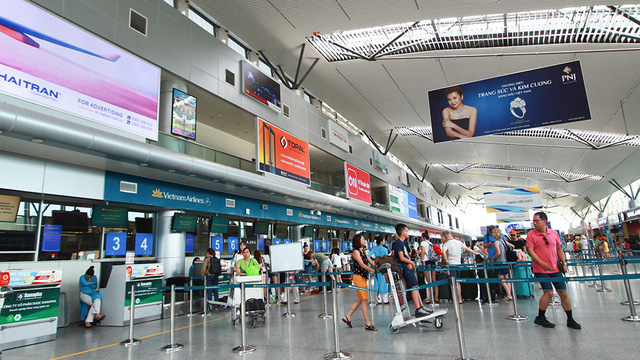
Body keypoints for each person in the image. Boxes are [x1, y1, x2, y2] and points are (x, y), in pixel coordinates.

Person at [527, 211, 581, 329]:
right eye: (534, 221)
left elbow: (559, 249)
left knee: (563, 292)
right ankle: (540, 317)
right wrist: (541, 263)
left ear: (544, 221)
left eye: (537, 221)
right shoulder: (531, 235)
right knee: (549, 293)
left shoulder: (553, 233)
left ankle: (570, 319)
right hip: (540, 269)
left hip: (555, 268)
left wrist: (564, 262)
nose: (535, 223)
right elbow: (531, 251)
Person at [342, 234, 378, 331]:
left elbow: (371, 261)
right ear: (358, 241)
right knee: (364, 300)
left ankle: (348, 317)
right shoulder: (356, 252)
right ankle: (368, 323)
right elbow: (362, 265)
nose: (365, 240)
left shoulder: (363, 251)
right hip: (358, 278)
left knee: (360, 299)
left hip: (363, 277)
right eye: (363, 239)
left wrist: (378, 265)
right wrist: (372, 270)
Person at [392, 223, 429, 317]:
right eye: (406, 230)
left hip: (408, 267)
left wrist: (409, 262)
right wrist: (411, 262)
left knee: (415, 285)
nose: (408, 232)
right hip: (405, 268)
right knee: (413, 287)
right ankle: (418, 308)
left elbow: (405, 255)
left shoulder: (403, 243)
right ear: (402, 232)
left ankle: (421, 306)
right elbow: (401, 257)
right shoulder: (398, 243)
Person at [441, 230, 478, 304]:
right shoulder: (458, 242)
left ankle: (456, 298)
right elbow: (467, 249)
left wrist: (446, 260)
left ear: (444, 237)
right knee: (458, 282)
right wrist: (475, 253)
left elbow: (443, 252)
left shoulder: (446, 244)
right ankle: (460, 298)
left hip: (452, 264)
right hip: (459, 264)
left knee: (453, 282)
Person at [491, 228, 513, 301]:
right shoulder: (504, 241)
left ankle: (509, 295)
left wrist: (493, 258)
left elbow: (498, 253)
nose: (492, 234)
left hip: (499, 262)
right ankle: (509, 294)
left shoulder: (496, 242)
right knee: (507, 279)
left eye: (493, 233)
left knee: (501, 279)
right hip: (505, 262)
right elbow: (513, 246)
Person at [418, 232, 439, 304]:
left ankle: (430, 298)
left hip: (426, 262)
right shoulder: (430, 243)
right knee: (434, 280)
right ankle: (436, 297)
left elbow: (423, 252)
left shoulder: (423, 243)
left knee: (428, 280)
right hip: (432, 262)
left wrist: (421, 260)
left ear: (423, 237)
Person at [369, 236, 390, 304]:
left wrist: (372, 263)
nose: (384, 241)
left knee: (377, 282)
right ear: (381, 241)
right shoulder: (385, 249)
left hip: (377, 268)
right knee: (384, 282)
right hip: (384, 268)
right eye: (383, 240)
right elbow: (387, 258)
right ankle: (385, 300)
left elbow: (369, 255)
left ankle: (379, 300)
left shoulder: (374, 249)